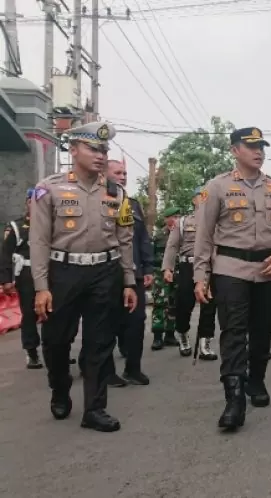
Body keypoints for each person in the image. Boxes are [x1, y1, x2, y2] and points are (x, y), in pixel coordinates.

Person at [30, 121, 137, 432]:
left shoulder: (116, 192)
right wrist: (41, 287)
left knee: (100, 343)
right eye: (93, 148)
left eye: (104, 149)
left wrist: (128, 280)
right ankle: (60, 388)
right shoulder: (48, 188)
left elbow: (125, 237)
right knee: (56, 341)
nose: (101, 155)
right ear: (74, 149)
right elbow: (39, 240)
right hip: (63, 272)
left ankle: (95, 408)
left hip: (105, 271)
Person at [193, 127, 271, 430]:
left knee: (262, 330)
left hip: (268, 269)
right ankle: (234, 397)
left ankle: (257, 381)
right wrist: (201, 276)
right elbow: (204, 234)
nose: (258, 151)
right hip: (230, 269)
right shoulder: (218, 187)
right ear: (235, 150)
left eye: (261, 146)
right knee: (234, 331)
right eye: (251, 146)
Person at [103, 159, 153, 386]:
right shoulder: (98, 200)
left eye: (125, 173)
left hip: (135, 273)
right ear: (104, 175)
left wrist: (148, 267)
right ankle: (104, 370)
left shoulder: (132, 204)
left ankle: (133, 368)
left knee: (137, 321)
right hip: (106, 272)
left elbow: (142, 238)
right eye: (118, 172)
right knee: (106, 323)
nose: (123, 176)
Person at [162, 187, 218, 361]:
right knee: (184, 304)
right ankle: (183, 335)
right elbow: (172, 246)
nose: (204, 200)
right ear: (194, 200)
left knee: (209, 307)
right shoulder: (183, 222)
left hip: (210, 267)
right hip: (188, 267)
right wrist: (168, 268)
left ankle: (205, 344)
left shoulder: (218, 222)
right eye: (201, 197)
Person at [0, 189, 42, 369]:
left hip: (51, 274)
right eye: (33, 201)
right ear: (27, 203)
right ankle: (32, 351)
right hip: (26, 275)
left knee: (55, 314)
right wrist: (6, 280)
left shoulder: (54, 224)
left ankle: (55, 350)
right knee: (30, 314)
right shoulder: (17, 227)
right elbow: (5, 254)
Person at [151, 208, 181, 352]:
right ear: (166, 219)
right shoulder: (158, 236)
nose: (176, 219)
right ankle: (157, 336)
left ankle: (170, 334)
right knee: (159, 303)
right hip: (160, 274)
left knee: (174, 303)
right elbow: (151, 256)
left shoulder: (182, 234)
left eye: (177, 216)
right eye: (173, 216)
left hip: (177, 273)